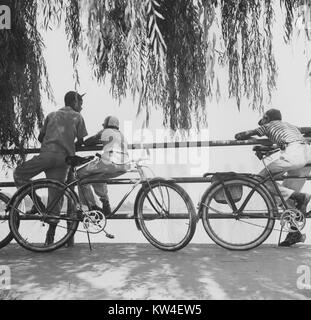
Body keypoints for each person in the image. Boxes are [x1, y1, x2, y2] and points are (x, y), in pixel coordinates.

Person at [14, 91, 88, 244]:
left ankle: (37, 202)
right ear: (74, 102)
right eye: (80, 103)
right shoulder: (78, 117)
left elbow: (41, 137)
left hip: (47, 155)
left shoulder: (52, 115)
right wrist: (68, 144)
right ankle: (50, 239)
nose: (81, 106)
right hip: (64, 160)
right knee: (57, 195)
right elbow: (80, 141)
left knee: (19, 173)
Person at [235, 108, 311, 247]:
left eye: (263, 120)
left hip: (294, 155)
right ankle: (294, 233)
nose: (261, 124)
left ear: (266, 118)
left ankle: (301, 197)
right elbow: (307, 130)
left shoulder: (268, 126)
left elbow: (245, 134)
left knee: (259, 179)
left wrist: (239, 135)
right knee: (284, 197)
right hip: (307, 157)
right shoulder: (291, 126)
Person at [77, 116, 130, 217]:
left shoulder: (105, 131)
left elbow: (88, 142)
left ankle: (91, 206)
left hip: (110, 162)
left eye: (103, 125)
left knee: (80, 175)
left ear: (106, 125)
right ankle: (106, 204)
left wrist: (98, 137)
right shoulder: (121, 135)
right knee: (97, 177)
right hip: (124, 165)